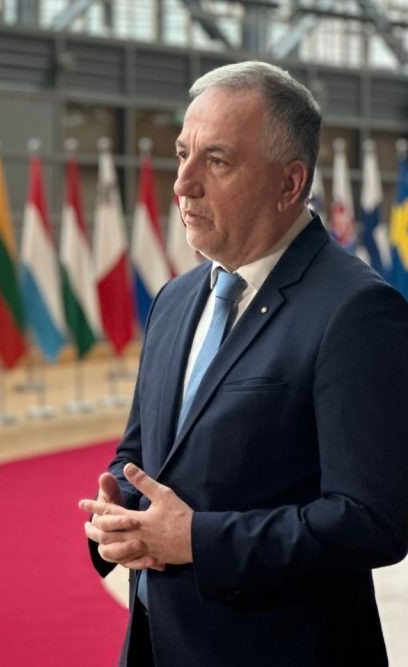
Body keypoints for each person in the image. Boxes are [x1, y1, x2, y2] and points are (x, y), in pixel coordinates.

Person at [79, 60, 408, 666]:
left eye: (217, 161)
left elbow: (372, 521)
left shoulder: (357, 311)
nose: (183, 184)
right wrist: (118, 512)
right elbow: (141, 455)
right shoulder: (175, 299)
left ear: (289, 184)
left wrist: (196, 540)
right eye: (183, 155)